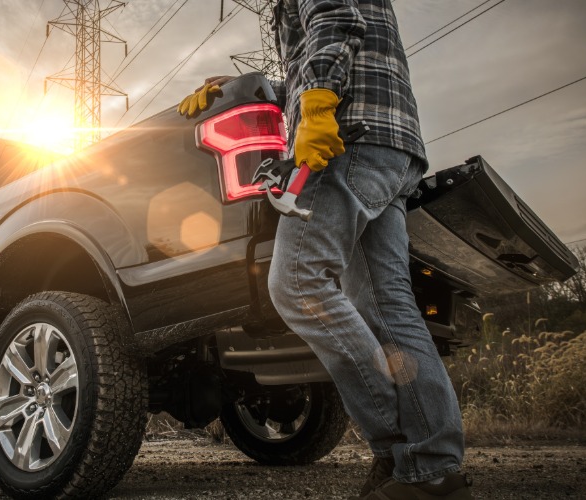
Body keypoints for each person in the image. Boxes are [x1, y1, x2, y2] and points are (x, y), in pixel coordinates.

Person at [179, 1, 472, 499]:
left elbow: (336, 18)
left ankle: (400, 444)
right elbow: (323, 44)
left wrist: (316, 105)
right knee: (386, 305)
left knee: (297, 284)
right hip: (392, 144)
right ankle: (432, 468)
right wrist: (233, 86)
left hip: (348, 138)